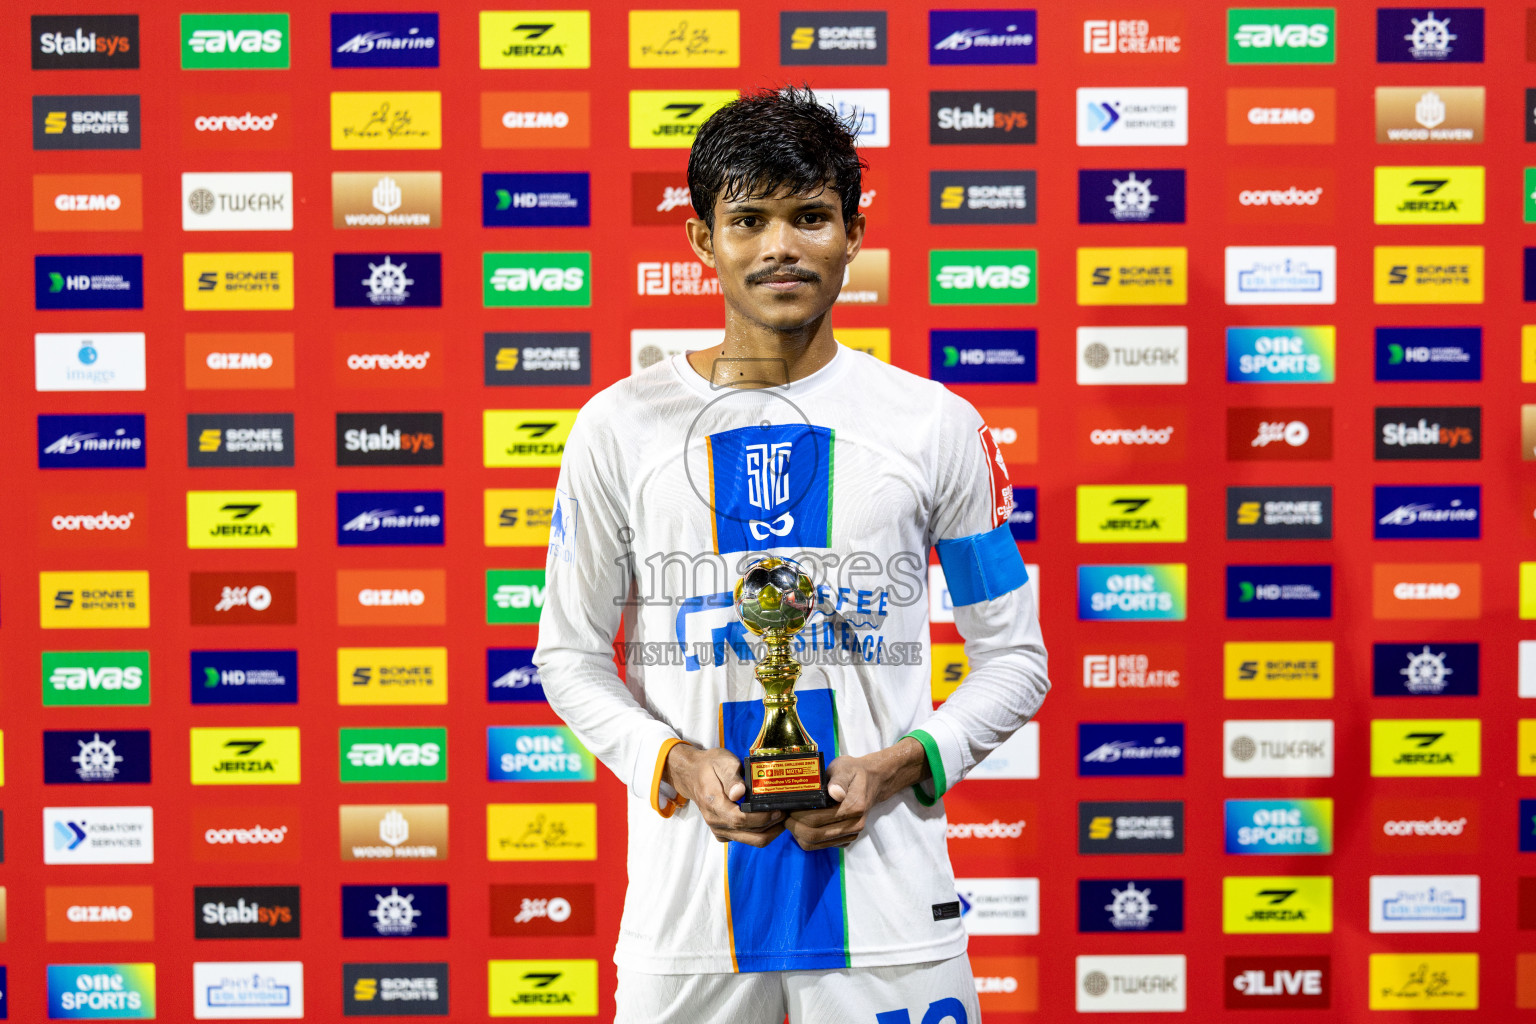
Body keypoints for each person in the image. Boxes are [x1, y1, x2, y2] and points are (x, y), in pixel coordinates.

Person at [534, 86, 1050, 1024]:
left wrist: (899, 762)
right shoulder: (617, 428)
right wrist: (678, 762)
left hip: (890, 910)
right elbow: (567, 657)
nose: (780, 246)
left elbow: (1015, 659)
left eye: (810, 216)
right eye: (748, 220)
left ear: (854, 232)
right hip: (689, 913)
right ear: (702, 241)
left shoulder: (933, 424)